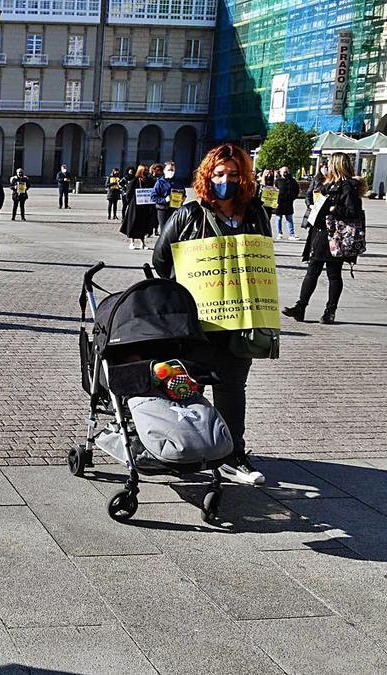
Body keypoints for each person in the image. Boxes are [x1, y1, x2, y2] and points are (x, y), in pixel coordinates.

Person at [151, 143, 270, 486]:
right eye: (219, 174)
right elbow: (161, 261)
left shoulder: (255, 214)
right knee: (189, 384)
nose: (226, 180)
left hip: (240, 320)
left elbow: (263, 256)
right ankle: (193, 446)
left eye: (233, 174)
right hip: (198, 321)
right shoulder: (190, 214)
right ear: (208, 176)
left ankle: (234, 454)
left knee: (233, 386)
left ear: (244, 177)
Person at [283, 152, 364, 325]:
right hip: (320, 233)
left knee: (334, 274)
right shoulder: (326, 184)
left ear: (337, 165)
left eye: (329, 163)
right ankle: (301, 307)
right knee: (312, 270)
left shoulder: (347, 186)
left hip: (336, 236)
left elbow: (353, 212)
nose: (326, 166)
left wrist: (334, 209)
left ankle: (330, 311)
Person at [119, 164, 153, 249]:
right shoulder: (134, 181)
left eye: (147, 170)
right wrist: (131, 201)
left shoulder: (148, 181)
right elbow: (128, 194)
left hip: (145, 206)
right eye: (144, 170)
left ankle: (143, 243)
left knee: (143, 224)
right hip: (134, 206)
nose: (146, 172)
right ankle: (132, 242)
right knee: (133, 223)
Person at [152, 161, 183, 235]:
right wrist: (164, 200)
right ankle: (164, 246)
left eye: (172, 170)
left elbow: (183, 192)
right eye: (169, 170)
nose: (171, 171)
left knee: (174, 231)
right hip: (163, 209)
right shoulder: (160, 182)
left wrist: (183, 198)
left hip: (175, 209)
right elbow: (153, 197)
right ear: (164, 171)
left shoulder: (178, 182)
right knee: (165, 232)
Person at [273, 166, 299, 240]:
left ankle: (291, 234)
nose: (285, 173)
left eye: (286, 171)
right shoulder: (277, 181)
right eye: (284, 171)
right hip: (279, 203)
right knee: (278, 218)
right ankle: (279, 233)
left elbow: (296, 190)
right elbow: (273, 190)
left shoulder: (292, 181)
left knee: (289, 219)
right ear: (280, 172)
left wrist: (292, 198)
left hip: (288, 203)